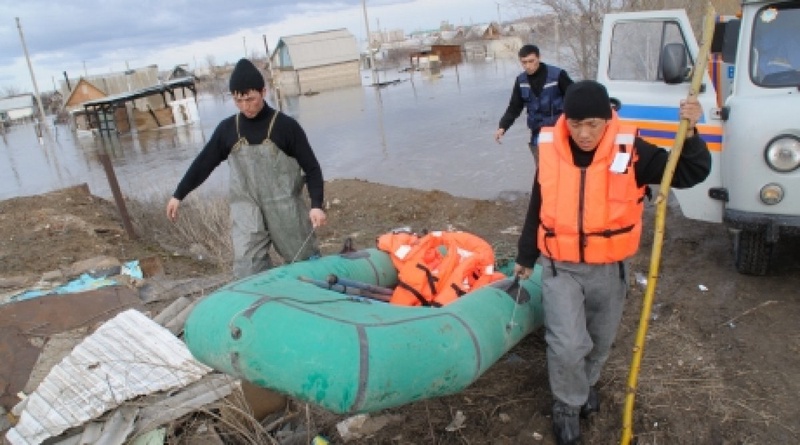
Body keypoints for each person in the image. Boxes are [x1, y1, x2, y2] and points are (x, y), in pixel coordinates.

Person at [512, 80, 710, 445]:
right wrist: (526, 256)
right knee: (567, 343)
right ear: (565, 120)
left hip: (610, 267)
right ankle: (567, 406)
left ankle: (585, 385)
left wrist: (693, 131)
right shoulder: (550, 150)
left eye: (593, 124)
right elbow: (538, 205)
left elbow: (687, 173)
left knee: (599, 342)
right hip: (561, 267)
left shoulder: (632, 149)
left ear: (608, 119)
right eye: (575, 124)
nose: (583, 133)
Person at [166, 58, 327, 279]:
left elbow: (312, 168)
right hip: (246, 207)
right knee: (247, 268)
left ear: (264, 92)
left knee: (304, 261)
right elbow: (204, 163)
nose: (245, 106)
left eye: (250, 99)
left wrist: (316, 205)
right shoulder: (227, 130)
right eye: (238, 100)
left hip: (285, 206)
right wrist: (178, 195)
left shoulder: (286, 127)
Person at [494, 44, 574, 157]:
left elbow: (576, 99)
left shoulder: (557, 75)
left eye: (531, 61)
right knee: (542, 170)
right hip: (538, 133)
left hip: (560, 130)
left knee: (564, 167)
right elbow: (514, 107)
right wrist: (502, 127)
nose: (528, 66)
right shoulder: (521, 81)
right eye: (524, 62)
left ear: (539, 58)